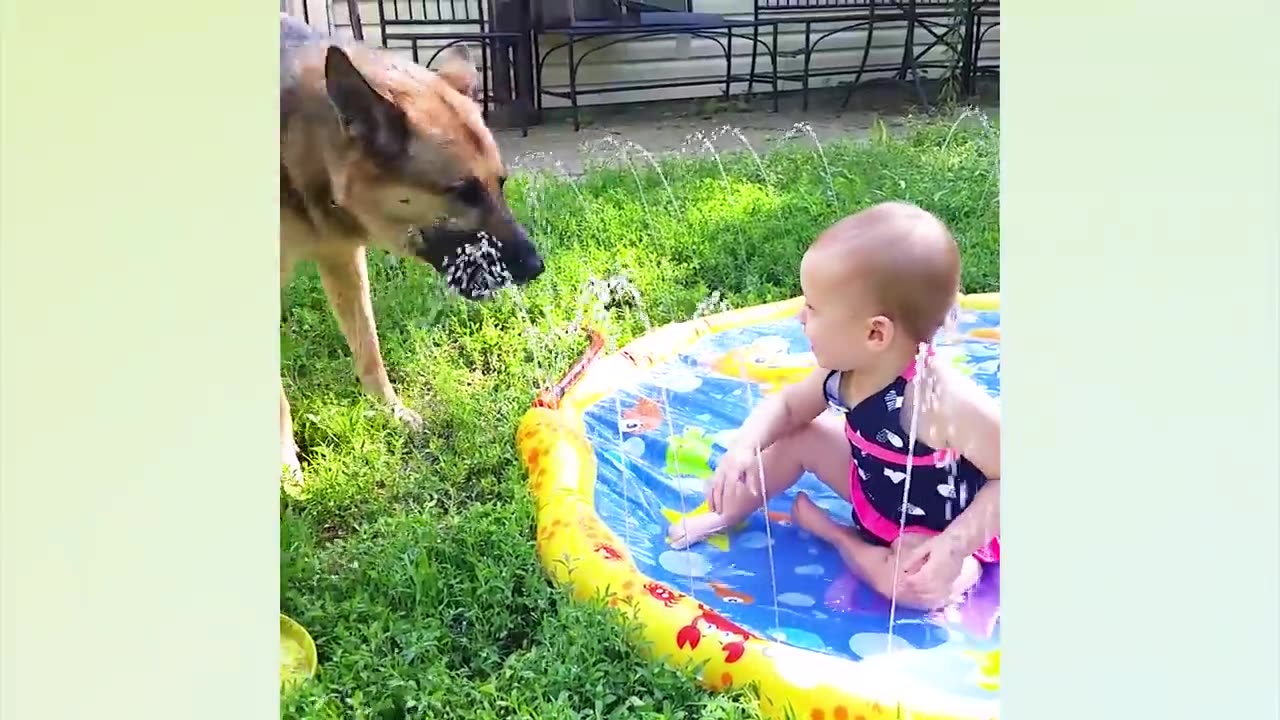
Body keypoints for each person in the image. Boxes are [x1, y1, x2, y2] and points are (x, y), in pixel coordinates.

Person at [667, 202, 1001, 611]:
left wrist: (953, 547)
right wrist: (744, 447)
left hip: (941, 529)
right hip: (874, 493)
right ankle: (727, 512)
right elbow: (789, 407)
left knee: (922, 591)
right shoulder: (841, 373)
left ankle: (837, 536)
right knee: (800, 436)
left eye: (812, 307)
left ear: (874, 333)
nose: (798, 317)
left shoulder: (941, 400)